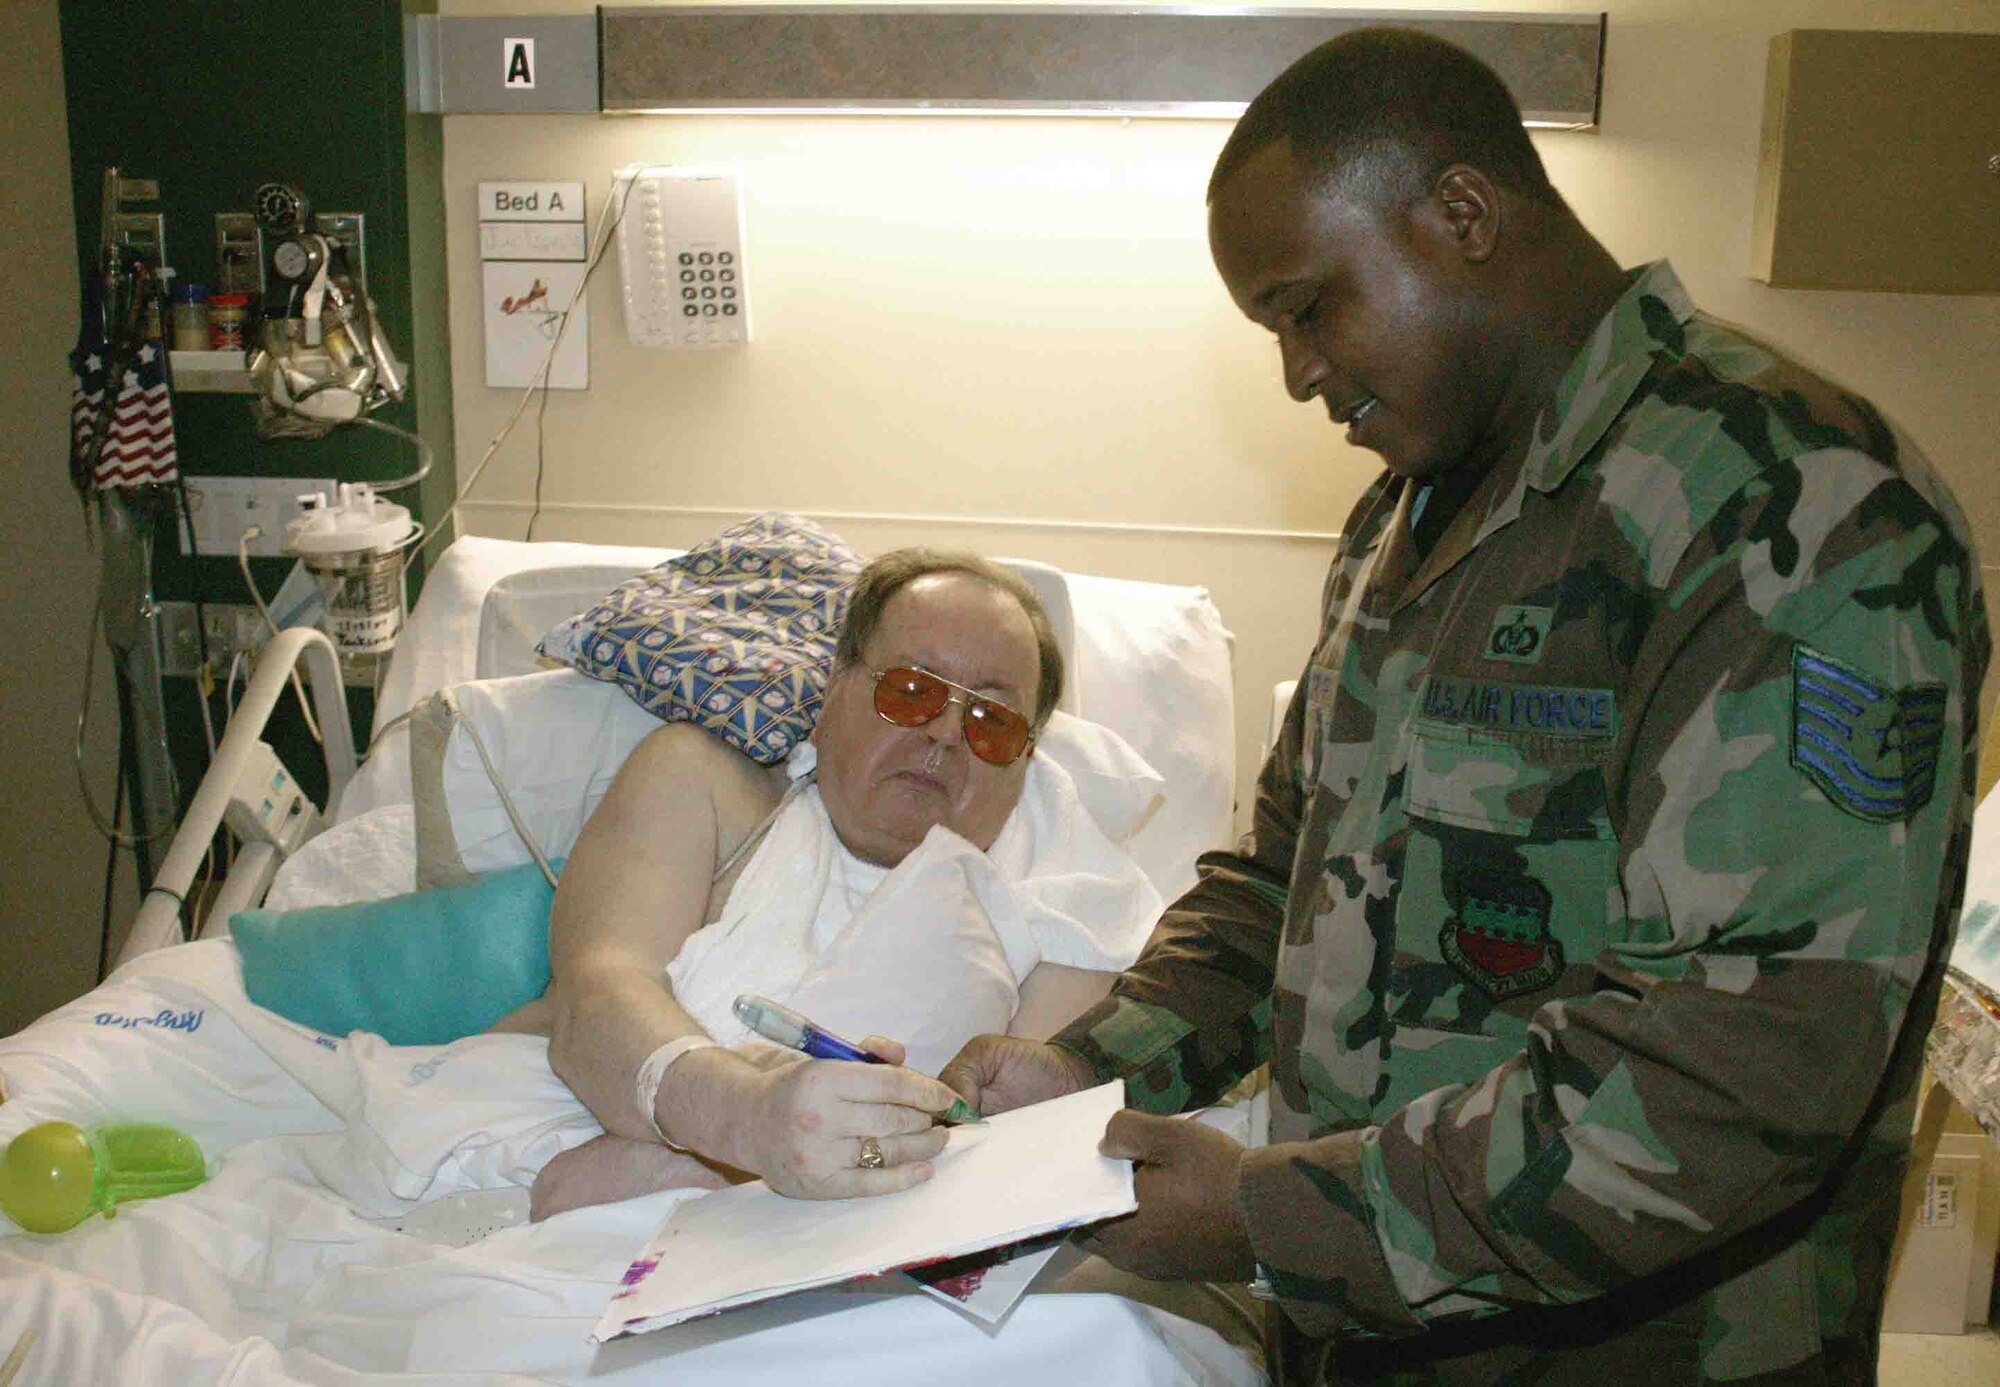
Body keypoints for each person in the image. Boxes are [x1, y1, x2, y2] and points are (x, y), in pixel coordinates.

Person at [942, 27, 1990, 1385]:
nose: (1298, 372)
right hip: (1372, 1331)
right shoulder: (1411, 515)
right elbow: (1281, 886)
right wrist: (1084, 1070)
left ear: (1464, 215)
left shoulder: (1793, 510)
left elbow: (1734, 1072)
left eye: (1310, 307)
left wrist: (1263, 1214)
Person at [511, 548, 1140, 1218]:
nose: (947, 733)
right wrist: (745, 1118)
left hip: (868, 1246)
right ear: (836, 687)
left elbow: (1014, 1150)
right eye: (912, 690)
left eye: (991, 720)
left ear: (1025, 759)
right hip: (542, 1163)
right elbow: (598, 997)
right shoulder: (705, 787)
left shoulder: (1067, 906)